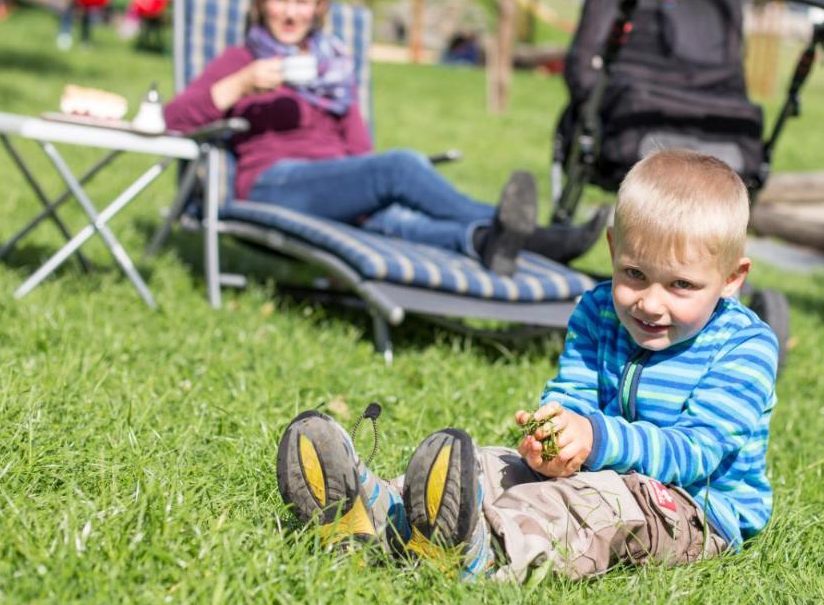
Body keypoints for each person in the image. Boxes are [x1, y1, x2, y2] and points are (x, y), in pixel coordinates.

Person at [276, 149, 779, 581]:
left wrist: (597, 439)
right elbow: (572, 393)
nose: (650, 303)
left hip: (690, 508)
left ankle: (483, 551)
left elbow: (698, 451)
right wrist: (552, 436)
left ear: (732, 278)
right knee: (496, 465)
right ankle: (378, 510)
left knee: (586, 502)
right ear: (612, 249)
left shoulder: (745, 347)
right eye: (634, 273)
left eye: (681, 286)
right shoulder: (599, 309)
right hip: (600, 461)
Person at [164, 0, 605, 275]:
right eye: (281, 0)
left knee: (396, 219)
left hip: (333, 184)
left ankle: (490, 240)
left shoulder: (334, 66)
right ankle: (538, 237)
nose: (291, 13)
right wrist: (241, 84)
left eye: (302, 2)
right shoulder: (242, 59)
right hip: (272, 185)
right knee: (399, 167)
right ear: (261, 3)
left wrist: (358, 188)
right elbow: (172, 121)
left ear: (320, 7)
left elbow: (359, 150)